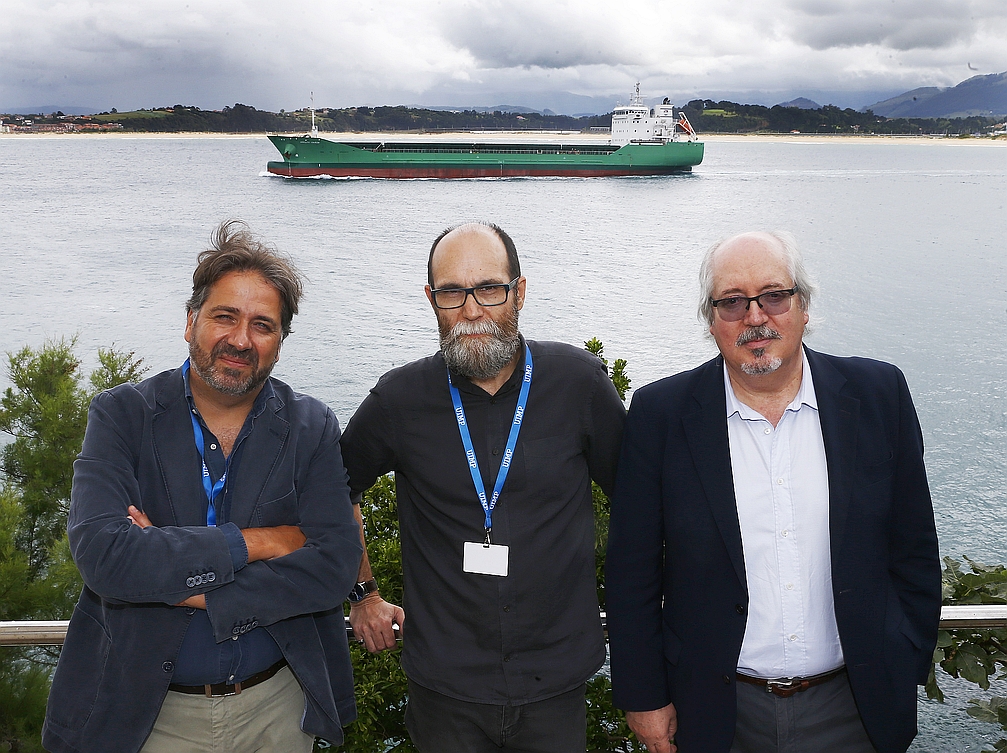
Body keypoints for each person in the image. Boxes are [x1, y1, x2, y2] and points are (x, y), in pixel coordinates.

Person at [606, 231, 941, 753]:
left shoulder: (879, 397)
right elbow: (632, 574)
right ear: (711, 320)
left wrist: (905, 657)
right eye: (732, 302)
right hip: (716, 714)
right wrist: (644, 697)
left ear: (803, 305)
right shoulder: (661, 415)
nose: (755, 317)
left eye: (774, 296)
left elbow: (915, 547)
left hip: (855, 707)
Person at [42, 221, 363, 753]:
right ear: (191, 321)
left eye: (263, 325)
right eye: (224, 317)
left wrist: (175, 579)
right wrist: (263, 543)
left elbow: (334, 570)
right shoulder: (123, 416)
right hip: (147, 716)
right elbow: (104, 556)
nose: (240, 339)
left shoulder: (312, 427)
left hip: (276, 713)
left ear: (280, 343)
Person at [339, 221, 626, 752]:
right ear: (431, 300)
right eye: (451, 292)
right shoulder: (398, 400)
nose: (471, 311)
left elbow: (637, 502)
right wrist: (363, 593)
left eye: (489, 289)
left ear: (519, 291)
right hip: (444, 688)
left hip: (556, 683)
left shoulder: (579, 383)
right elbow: (334, 492)